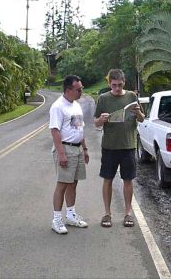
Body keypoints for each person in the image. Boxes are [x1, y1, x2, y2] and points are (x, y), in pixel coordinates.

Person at [94, 69, 145, 228]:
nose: (117, 88)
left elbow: (142, 119)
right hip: (109, 146)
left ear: (124, 83)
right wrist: (101, 120)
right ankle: (107, 214)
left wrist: (137, 113)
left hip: (128, 145)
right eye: (114, 85)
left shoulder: (131, 96)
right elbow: (95, 122)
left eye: (119, 85)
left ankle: (128, 213)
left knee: (128, 180)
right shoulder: (103, 99)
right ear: (109, 84)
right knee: (107, 179)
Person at [49, 75, 89, 234]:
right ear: (68, 90)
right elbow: (55, 130)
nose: (81, 91)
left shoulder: (76, 106)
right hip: (65, 149)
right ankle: (56, 220)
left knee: (73, 183)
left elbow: (80, 128)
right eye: (79, 89)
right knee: (63, 184)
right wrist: (61, 154)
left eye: (82, 88)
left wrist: (85, 149)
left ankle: (71, 215)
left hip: (77, 149)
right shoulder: (58, 106)